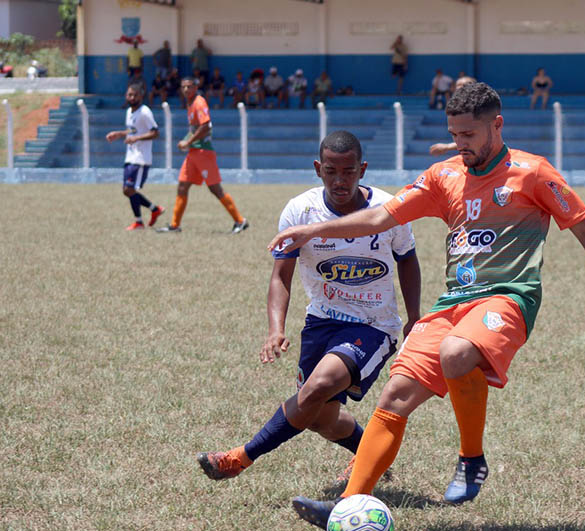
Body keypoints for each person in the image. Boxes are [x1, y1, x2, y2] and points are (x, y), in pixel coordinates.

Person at [274, 82, 585, 527]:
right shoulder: (443, 175)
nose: (460, 144)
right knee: (395, 394)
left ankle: (471, 458)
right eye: (455, 134)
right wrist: (315, 232)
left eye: (468, 135)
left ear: (496, 125)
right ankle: (348, 503)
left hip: (508, 297)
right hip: (454, 303)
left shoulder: (533, 172)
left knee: (455, 352)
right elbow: (379, 216)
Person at [197, 130, 421, 484]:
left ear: (362, 169)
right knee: (320, 418)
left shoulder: (387, 209)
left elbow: (407, 260)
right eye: (331, 171)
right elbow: (280, 276)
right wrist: (276, 329)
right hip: (321, 320)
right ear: (318, 169)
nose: (340, 180)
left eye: (348, 171)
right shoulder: (300, 211)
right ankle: (368, 455)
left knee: (318, 387)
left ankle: (239, 458)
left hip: (373, 325)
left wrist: (414, 318)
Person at [157, 78, 248, 234]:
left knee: (215, 189)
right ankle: (174, 225)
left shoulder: (199, 102)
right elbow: (195, 129)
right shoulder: (190, 103)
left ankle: (240, 221)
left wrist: (188, 141)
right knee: (182, 186)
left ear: (196, 87)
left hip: (203, 152)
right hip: (193, 152)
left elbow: (205, 126)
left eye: (189, 86)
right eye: (183, 87)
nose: (186, 89)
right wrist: (186, 141)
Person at [105, 83, 165, 231]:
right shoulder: (129, 112)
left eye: (134, 95)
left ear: (141, 96)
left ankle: (142, 219)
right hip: (130, 156)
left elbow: (155, 132)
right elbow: (132, 130)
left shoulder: (145, 112)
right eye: (129, 95)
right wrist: (119, 134)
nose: (131, 97)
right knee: (127, 190)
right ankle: (152, 211)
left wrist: (136, 138)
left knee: (128, 189)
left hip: (141, 158)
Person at [428, 75, 478, 157]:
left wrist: (447, 147)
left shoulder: (479, 109)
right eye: (458, 85)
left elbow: (476, 140)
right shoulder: (458, 109)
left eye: (464, 84)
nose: (459, 87)